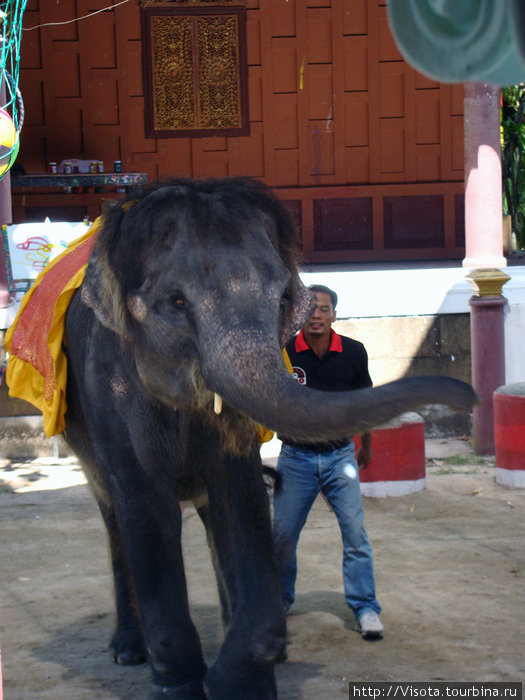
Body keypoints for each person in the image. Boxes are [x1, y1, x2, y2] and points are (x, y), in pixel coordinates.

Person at [272, 284, 383, 638]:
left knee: (355, 534)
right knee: (283, 537)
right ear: (298, 315)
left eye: (323, 309)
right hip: (295, 459)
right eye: (310, 309)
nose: (316, 315)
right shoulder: (285, 352)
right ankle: (278, 602)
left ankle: (365, 608)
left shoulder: (352, 352)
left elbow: (364, 403)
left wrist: (365, 446)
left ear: (334, 314)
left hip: (340, 458)